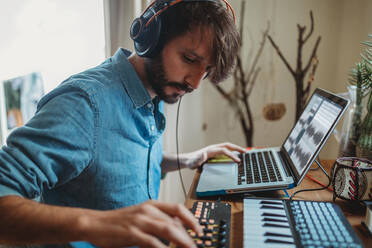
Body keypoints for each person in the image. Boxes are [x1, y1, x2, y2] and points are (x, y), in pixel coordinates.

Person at [0, 0, 242, 247]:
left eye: (207, 70)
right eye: (189, 59)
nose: (195, 83)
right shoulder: (84, 104)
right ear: (152, 39)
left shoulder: (153, 92)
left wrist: (189, 159)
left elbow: (121, 164)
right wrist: (95, 224)